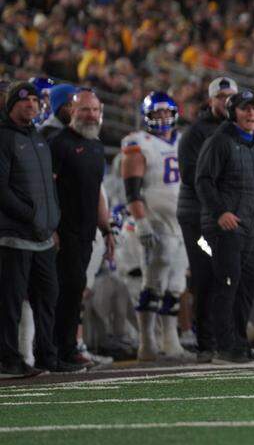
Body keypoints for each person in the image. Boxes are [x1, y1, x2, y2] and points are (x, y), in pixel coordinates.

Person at [177, 76, 254, 363]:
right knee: (224, 282)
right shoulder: (216, 140)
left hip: (245, 226)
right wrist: (220, 212)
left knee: (247, 283)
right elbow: (202, 180)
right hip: (217, 225)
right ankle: (221, 346)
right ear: (233, 112)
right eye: (245, 108)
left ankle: (238, 343)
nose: (251, 113)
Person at [0, 84, 65, 377]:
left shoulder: (38, 138)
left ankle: (46, 356)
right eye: (25, 101)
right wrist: (30, 216)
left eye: (36, 100)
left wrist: (52, 222)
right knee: (11, 302)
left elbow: (48, 187)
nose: (32, 105)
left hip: (43, 235)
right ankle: (8, 359)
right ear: (12, 104)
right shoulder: (4, 137)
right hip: (15, 235)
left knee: (48, 297)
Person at [49, 88, 114, 370]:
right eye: (85, 109)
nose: (91, 115)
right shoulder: (59, 144)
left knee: (76, 289)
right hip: (64, 231)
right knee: (65, 289)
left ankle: (66, 348)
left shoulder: (96, 146)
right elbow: (48, 189)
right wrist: (50, 227)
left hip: (88, 232)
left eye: (95, 110)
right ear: (71, 111)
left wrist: (107, 228)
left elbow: (97, 191)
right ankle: (56, 349)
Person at [121, 91, 188, 361]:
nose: (162, 118)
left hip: (182, 224)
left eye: (166, 112)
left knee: (176, 283)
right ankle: (147, 342)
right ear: (147, 116)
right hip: (156, 223)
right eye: (156, 113)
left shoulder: (184, 141)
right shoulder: (139, 143)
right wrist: (141, 221)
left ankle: (170, 340)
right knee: (154, 283)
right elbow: (132, 190)